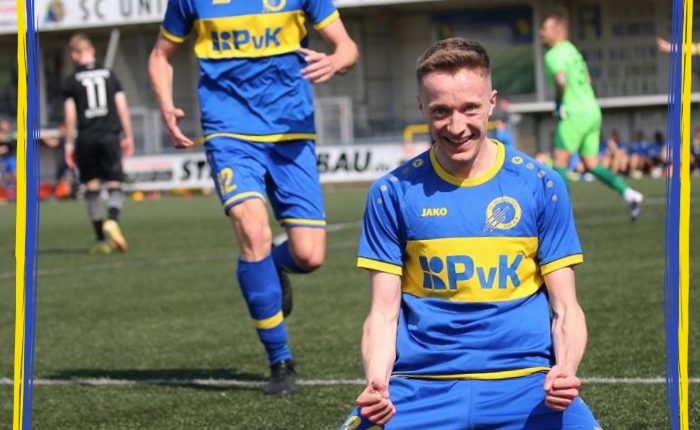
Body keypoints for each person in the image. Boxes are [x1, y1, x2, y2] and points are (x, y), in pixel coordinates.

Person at [339, 38, 600, 430]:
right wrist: (377, 382)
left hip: (528, 384)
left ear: (491, 103)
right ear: (422, 108)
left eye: (469, 108)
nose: (456, 126)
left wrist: (564, 369)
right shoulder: (391, 192)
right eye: (440, 111)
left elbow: (566, 308)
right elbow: (383, 312)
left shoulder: (541, 185)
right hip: (419, 387)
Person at [148, 0, 358, 395]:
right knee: (253, 231)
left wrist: (335, 62)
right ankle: (280, 361)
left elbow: (347, 47)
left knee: (309, 256)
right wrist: (166, 106)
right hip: (228, 132)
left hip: (292, 133)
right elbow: (161, 55)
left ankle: (272, 265)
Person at [540, 12, 643, 221]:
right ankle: (629, 193)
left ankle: (562, 215)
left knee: (560, 162)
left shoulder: (554, 54)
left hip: (574, 112)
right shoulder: (573, 50)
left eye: (545, 28)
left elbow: (561, 81)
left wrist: (559, 103)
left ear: (557, 31)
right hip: (592, 110)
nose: (541, 32)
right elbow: (587, 79)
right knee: (591, 164)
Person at [62, 33, 134, 254]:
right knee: (115, 183)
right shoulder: (109, 75)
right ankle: (112, 220)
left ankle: (101, 240)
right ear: (92, 51)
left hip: (86, 138)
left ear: (74, 55)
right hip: (110, 135)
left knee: (91, 187)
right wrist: (128, 135)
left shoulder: (71, 81)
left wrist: (69, 144)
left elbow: (70, 116)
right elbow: (122, 107)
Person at [0, 117, 17, 202]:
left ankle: (21, 194)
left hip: (11, 158)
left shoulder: (11, 135)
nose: (5, 126)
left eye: (6, 124)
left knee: (15, 176)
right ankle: (11, 196)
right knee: (6, 177)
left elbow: (12, 144)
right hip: (3, 159)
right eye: (3, 124)